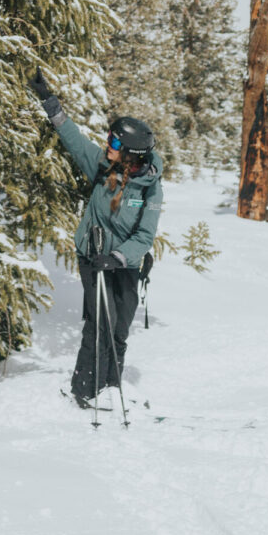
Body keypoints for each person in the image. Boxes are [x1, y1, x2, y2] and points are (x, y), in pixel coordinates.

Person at [28, 68, 163, 407]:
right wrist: (48, 100)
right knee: (100, 324)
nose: (108, 144)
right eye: (109, 138)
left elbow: (145, 235)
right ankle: (85, 389)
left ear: (131, 153)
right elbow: (73, 139)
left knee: (120, 328)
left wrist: (119, 257)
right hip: (94, 256)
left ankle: (112, 387)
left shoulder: (150, 188)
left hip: (125, 262)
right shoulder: (104, 167)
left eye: (115, 142)